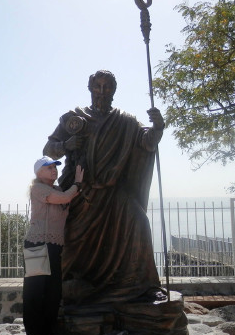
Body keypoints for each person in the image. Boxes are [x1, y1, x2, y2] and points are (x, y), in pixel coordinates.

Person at [43, 70, 166, 307]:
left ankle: (143, 285)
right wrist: (66, 144)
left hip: (112, 192)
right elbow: (49, 149)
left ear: (113, 90)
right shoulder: (74, 117)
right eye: (97, 86)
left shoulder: (125, 121)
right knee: (71, 241)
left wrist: (158, 127)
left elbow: (147, 142)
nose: (101, 91)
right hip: (81, 192)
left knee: (139, 222)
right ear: (90, 88)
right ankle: (72, 284)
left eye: (107, 87)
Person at [23, 156, 84, 335]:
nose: (53, 170)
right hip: (36, 245)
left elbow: (66, 196)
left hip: (55, 246)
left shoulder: (57, 189)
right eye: (48, 167)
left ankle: (48, 333)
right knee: (35, 292)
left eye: (55, 167)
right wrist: (78, 183)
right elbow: (66, 198)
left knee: (53, 292)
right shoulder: (38, 189)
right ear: (38, 172)